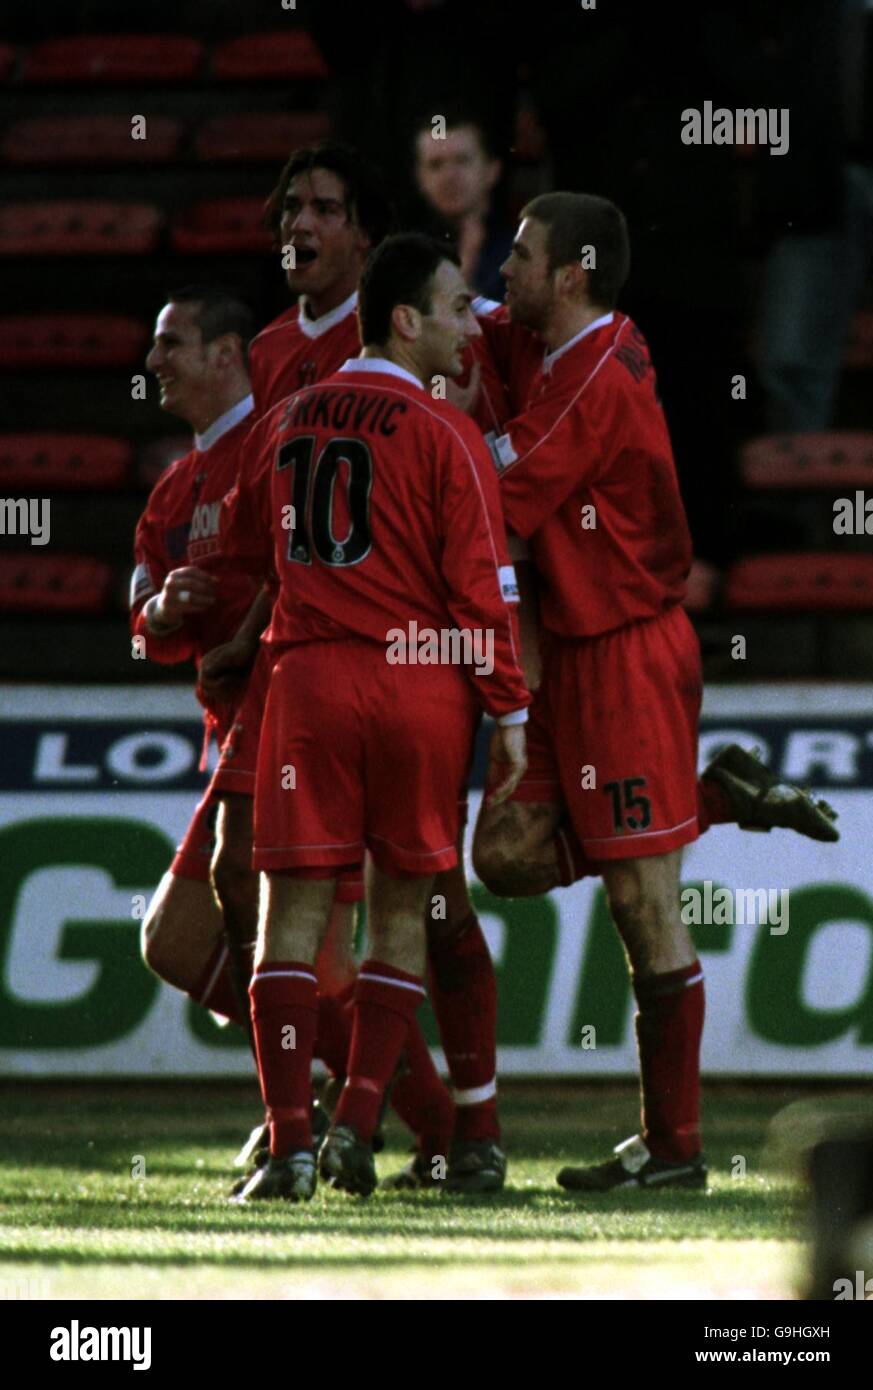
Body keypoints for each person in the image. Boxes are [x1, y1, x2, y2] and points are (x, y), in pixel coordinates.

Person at [471, 193, 838, 1193]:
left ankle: (673, 1150)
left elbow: (496, 486)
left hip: (625, 648)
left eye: (522, 255)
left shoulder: (595, 371)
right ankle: (713, 796)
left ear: (574, 272)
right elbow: (468, 324)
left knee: (642, 902)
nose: (507, 269)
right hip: (561, 648)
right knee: (501, 854)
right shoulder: (544, 336)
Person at [226, 233, 530, 1202]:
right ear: (403, 320)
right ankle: (358, 1121)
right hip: (417, 687)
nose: (468, 326)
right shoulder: (446, 432)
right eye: (452, 309)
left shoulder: (283, 419)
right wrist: (510, 713)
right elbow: (480, 591)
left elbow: (244, 548)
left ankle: (289, 1148)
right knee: (404, 910)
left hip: (308, 682)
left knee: (290, 921)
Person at [130, 285, 260, 1032]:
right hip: (233, 736)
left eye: (170, 343)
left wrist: (245, 644)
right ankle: (346, 1082)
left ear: (225, 355)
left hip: (299, 725)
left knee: (289, 940)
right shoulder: (172, 494)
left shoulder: (278, 447)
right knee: (175, 943)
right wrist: (164, 612)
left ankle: (402, 1108)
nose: (153, 360)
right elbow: (144, 636)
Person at [412, 108, 513, 301]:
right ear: (420, 178)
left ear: (492, 169)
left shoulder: (525, 253)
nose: (449, 176)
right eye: (436, 164)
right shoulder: (405, 258)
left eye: (462, 161)